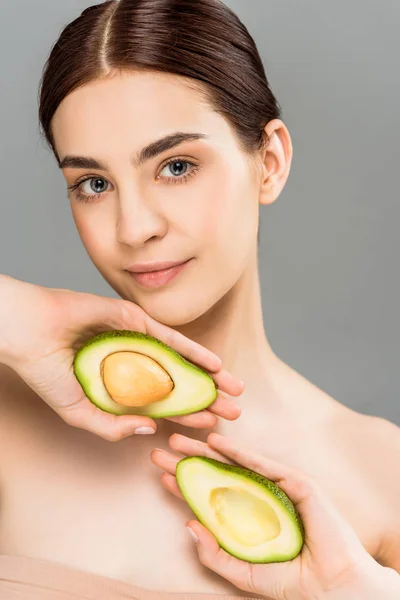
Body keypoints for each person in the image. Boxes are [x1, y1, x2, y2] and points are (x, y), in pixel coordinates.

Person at [0, 0, 399, 597]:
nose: (134, 227)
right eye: (94, 184)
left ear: (269, 162)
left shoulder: (381, 469)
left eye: (177, 166)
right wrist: (22, 318)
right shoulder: (9, 406)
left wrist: (350, 590)